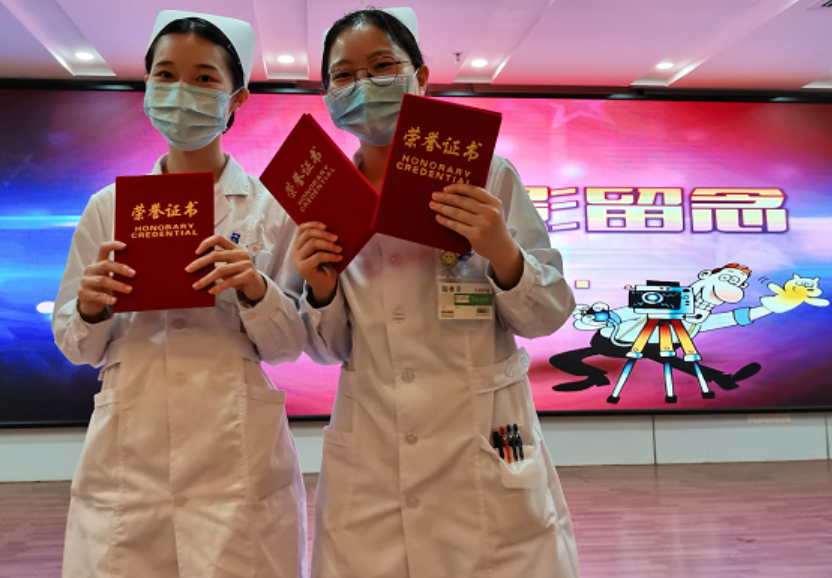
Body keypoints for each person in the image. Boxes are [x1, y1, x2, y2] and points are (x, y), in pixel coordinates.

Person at [290, 8, 581, 578]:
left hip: (482, 438)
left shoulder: (487, 175)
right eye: (343, 75)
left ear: (420, 77)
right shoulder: (325, 197)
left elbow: (548, 313)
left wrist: (502, 250)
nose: (362, 85)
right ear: (327, 94)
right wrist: (320, 291)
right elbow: (328, 349)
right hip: (373, 449)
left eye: (382, 67)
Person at [52, 11, 307, 578]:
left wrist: (255, 289)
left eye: (204, 78)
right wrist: (91, 306)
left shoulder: (269, 210)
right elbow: (76, 345)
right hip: (130, 455)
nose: (181, 91)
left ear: (237, 98)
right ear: (147, 87)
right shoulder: (108, 208)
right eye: (165, 75)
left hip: (233, 454)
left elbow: (290, 344)